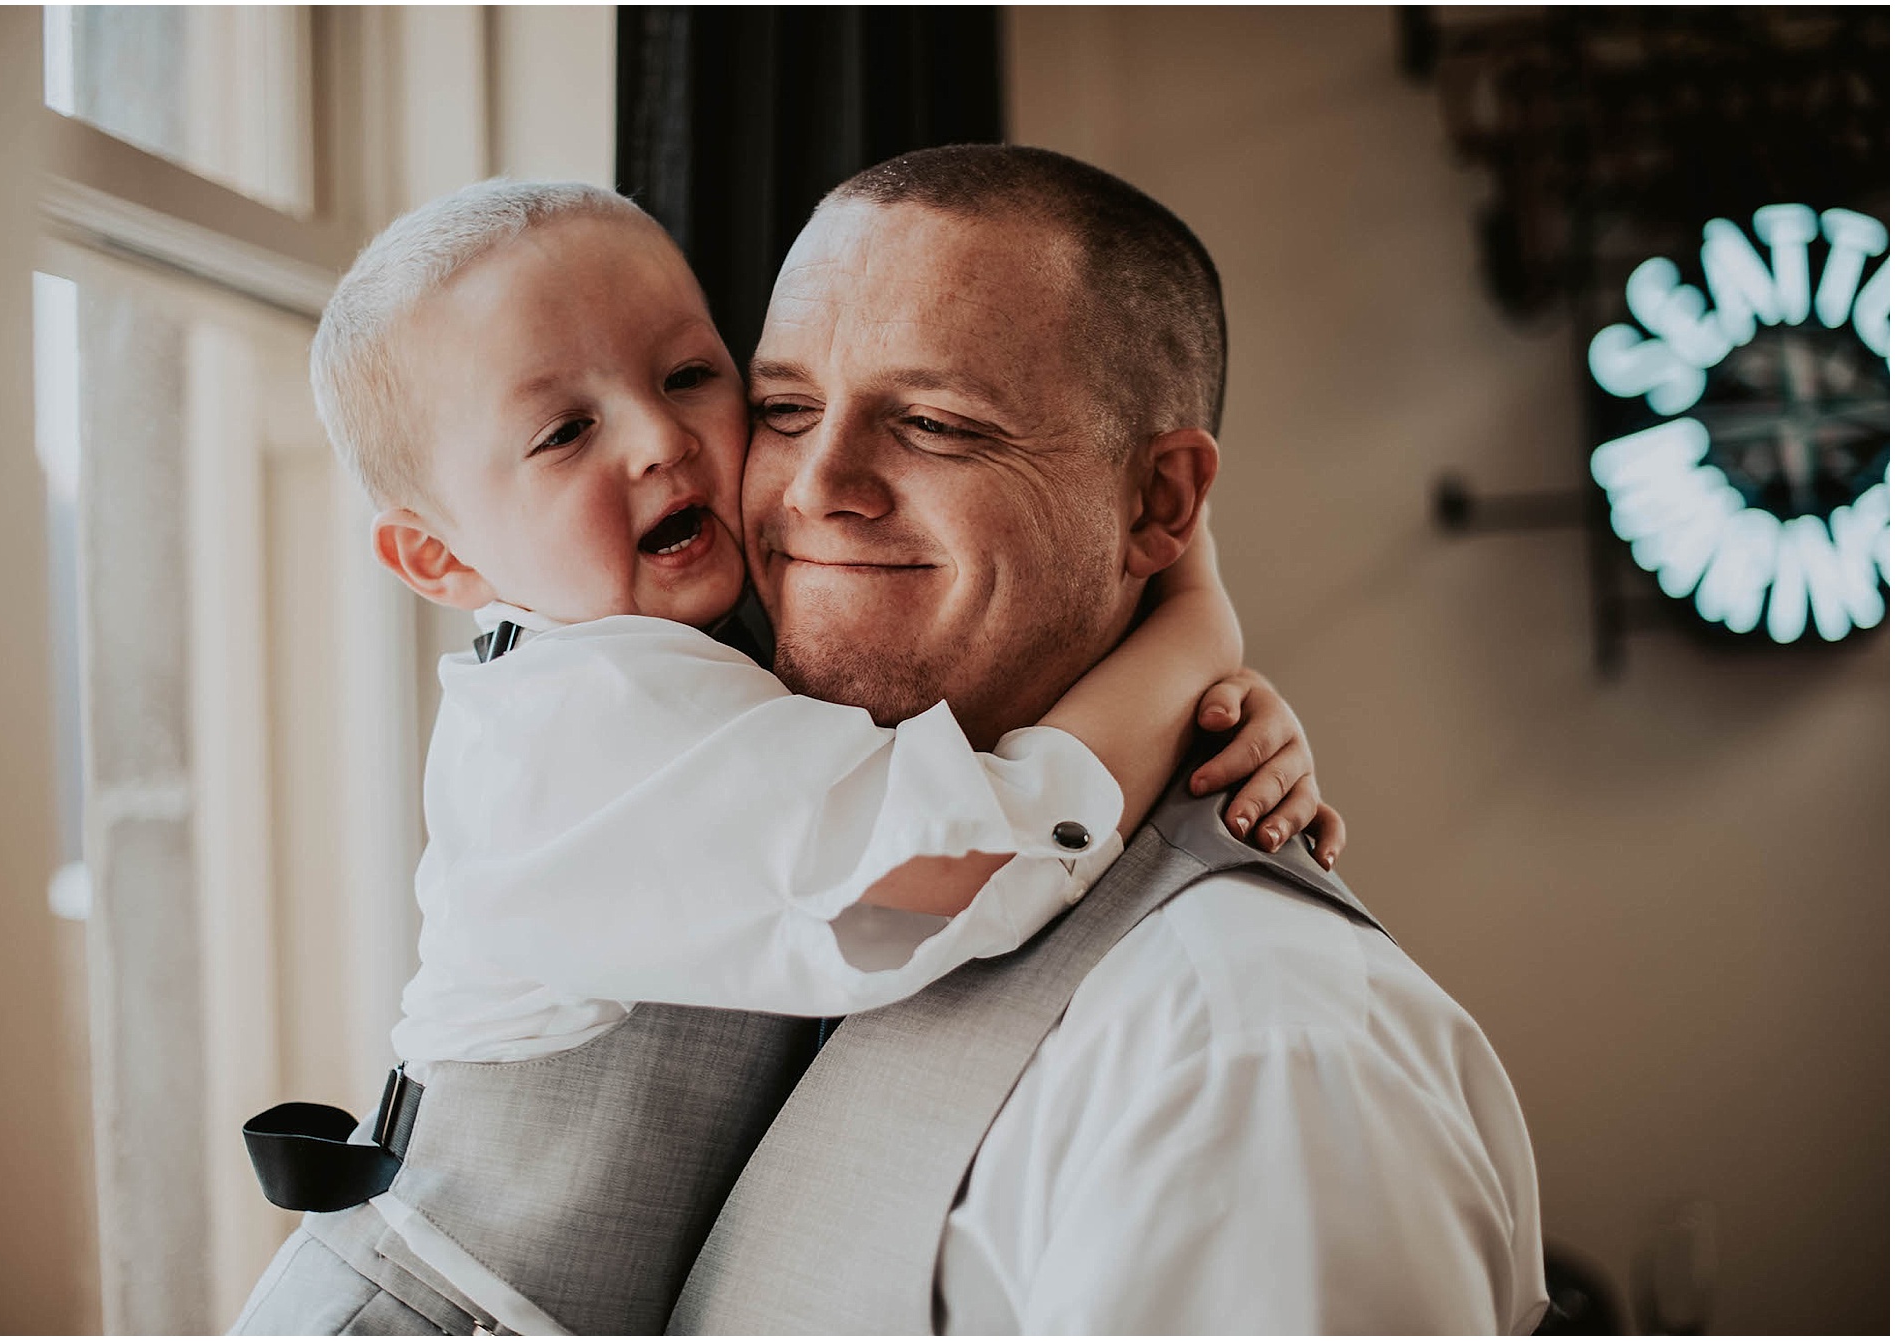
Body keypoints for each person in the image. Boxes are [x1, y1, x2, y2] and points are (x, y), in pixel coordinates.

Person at [230, 179, 1342, 1335]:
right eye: (565, 432)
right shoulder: (591, 722)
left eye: (690, 377)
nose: (661, 441)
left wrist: (1209, 708)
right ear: (436, 557)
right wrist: (1193, 629)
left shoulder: (665, 660)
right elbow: (968, 856)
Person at [664, 145, 1550, 1334]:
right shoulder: (766, 847)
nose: (814, 487)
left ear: (1159, 505)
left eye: (932, 423)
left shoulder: (1246, 1052)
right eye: (783, 410)